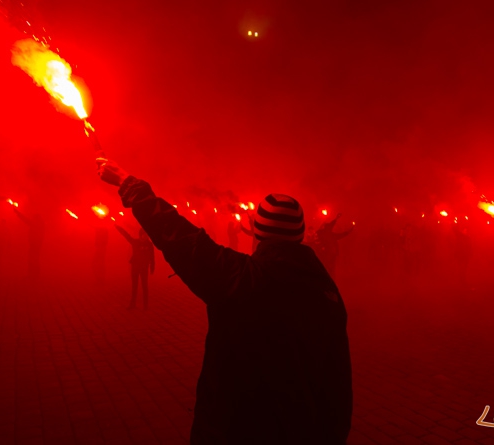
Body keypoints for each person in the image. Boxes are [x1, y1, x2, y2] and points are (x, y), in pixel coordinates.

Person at [98, 158, 352, 444]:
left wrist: (129, 184)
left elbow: (181, 238)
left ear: (258, 234)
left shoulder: (241, 279)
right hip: (302, 431)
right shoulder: (327, 293)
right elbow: (338, 385)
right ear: (300, 236)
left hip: (235, 429)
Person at [115, 225, 155, 309]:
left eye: (146, 235)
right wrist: (119, 228)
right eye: (143, 234)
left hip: (144, 267)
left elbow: (152, 256)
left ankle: (145, 305)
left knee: (144, 286)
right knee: (134, 286)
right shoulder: (135, 242)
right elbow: (126, 235)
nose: (145, 236)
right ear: (140, 235)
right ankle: (133, 303)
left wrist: (152, 266)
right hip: (135, 267)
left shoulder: (149, 244)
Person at [315, 214, 354, 279]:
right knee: (328, 267)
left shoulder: (326, 233)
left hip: (329, 253)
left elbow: (339, 233)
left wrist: (336, 219)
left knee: (328, 267)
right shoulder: (324, 233)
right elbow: (338, 232)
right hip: (326, 253)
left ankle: (328, 277)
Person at [14, 208, 44, 279]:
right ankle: (35, 275)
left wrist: (18, 214)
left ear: (36, 219)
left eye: (34, 218)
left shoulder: (37, 224)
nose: (33, 219)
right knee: (35, 259)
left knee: (32, 259)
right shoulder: (41, 224)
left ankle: (32, 275)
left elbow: (27, 221)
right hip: (36, 243)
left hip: (35, 243)